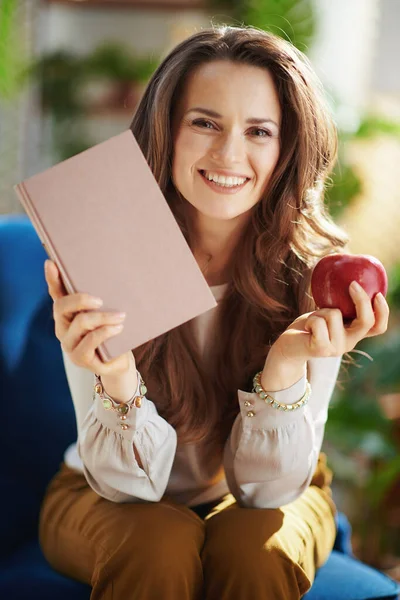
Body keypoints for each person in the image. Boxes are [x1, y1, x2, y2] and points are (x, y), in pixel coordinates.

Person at [39, 25, 389, 600]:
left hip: (271, 489)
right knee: (156, 542)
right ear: (166, 131)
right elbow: (126, 488)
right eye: (205, 123)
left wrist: (283, 367)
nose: (229, 154)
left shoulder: (315, 275)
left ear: (286, 149)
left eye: (259, 131)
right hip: (103, 488)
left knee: (254, 549)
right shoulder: (102, 248)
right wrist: (118, 378)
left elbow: (268, 495)